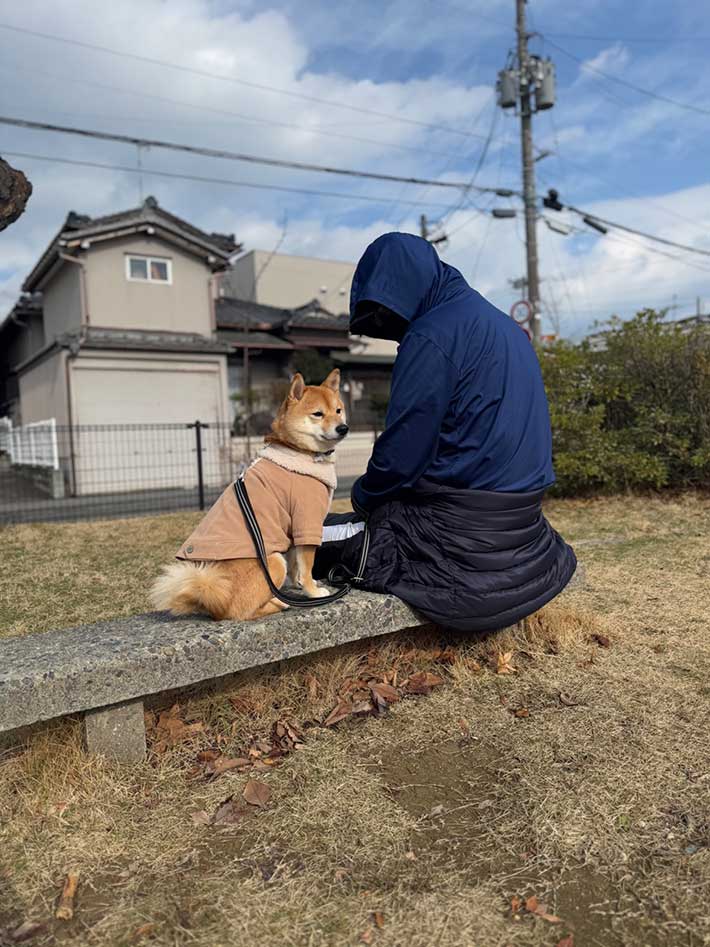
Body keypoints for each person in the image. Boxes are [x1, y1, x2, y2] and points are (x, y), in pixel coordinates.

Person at [314, 231, 577, 632]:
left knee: (306, 536)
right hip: (524, 532)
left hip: (457, 540)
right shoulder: (503, 327)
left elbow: (401, 456)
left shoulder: (431, 335)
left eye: (386, 309)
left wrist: (365, 497)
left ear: (402, 286)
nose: (391, 324)